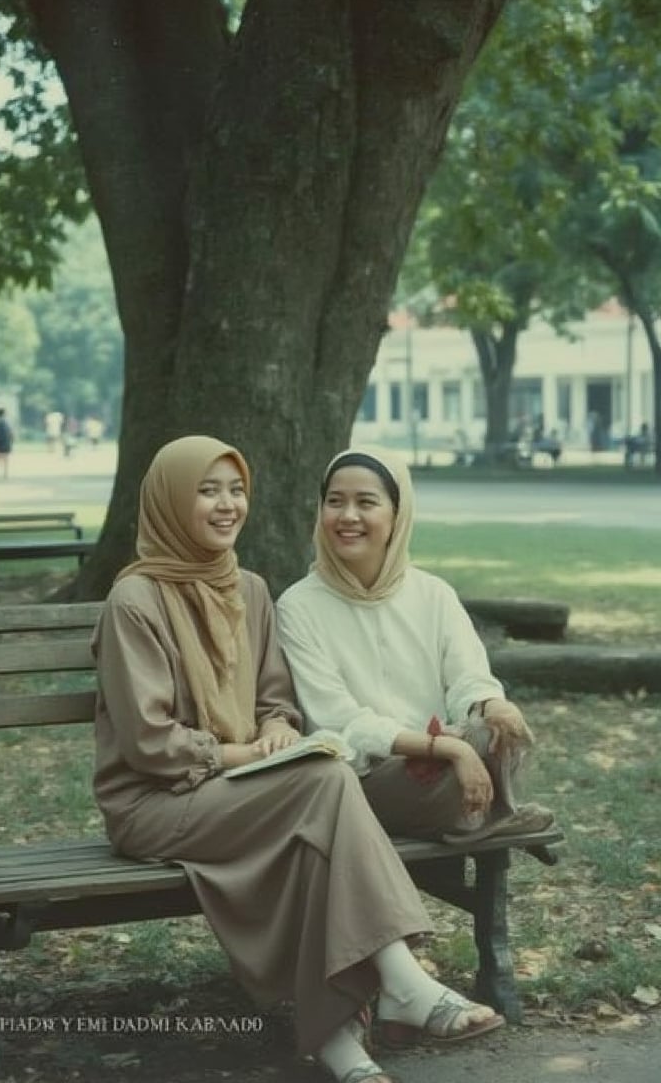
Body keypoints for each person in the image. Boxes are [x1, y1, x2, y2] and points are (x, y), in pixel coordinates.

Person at [92, 436, 504, 1083]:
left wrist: (279, 731)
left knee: (318, 827)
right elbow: (148, 744)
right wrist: (243, 752)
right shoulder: (134, 603)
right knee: (325, 790)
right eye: (207, 491)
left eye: (236, 490)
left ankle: (339, 1040)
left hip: (238, 790)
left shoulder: (248, 589)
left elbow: (274, 701)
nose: (228, 505)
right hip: (154, 803)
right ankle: (398, 980)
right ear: (171, 501)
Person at [276, 445, 554, 849]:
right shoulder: (298, 606)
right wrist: (444, 749)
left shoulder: (433, 594)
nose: (348, 516)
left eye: (366, 502)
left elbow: (468, 677)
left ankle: (471, 810)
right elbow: (338, 721)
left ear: (397, 513)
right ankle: (480, 816)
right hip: (364, 778)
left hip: (445, 757)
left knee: (495, 728)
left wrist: (491, 706)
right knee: (363, 774)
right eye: (335, 502)